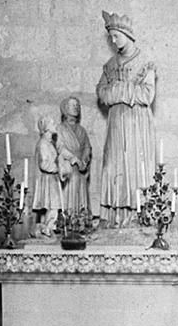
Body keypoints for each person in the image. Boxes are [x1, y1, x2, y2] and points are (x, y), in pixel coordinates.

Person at [95, 13, 158, 218]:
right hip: (116, 121)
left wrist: (118, 90)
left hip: (136, 122)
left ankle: (138, 215)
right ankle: (116, 215)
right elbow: (101, 92)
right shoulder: (110, 64)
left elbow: (147, 94)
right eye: (111, 37)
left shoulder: (145, 62)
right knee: (114, 164)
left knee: (135, 165)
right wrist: (122, 91)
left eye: (116, 36)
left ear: (127, 35)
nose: (113, 41)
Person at [56, 94, 94, 221]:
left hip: (81, 168)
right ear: (65, 108)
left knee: (81, 195)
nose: (76, 108)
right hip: (69, 167)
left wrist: (84, 159)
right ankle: (69, 220)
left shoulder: (82, 130)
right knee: (70, 194)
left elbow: (87, 147)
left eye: (77, 105)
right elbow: (60, 147)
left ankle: (82, 220)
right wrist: (74, 159)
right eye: (72, 105)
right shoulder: (60, 129)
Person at [31, 115, 63, 230]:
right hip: (48, 180)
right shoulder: (43, 144)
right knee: (53, 206)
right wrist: (58, 168)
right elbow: (44, 164)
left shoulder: (49, 143)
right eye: (53, 123)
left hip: (52, 179)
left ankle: (47, 229)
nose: (55, 125)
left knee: (52, 207)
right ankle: (49, 229)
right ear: (47, 127)